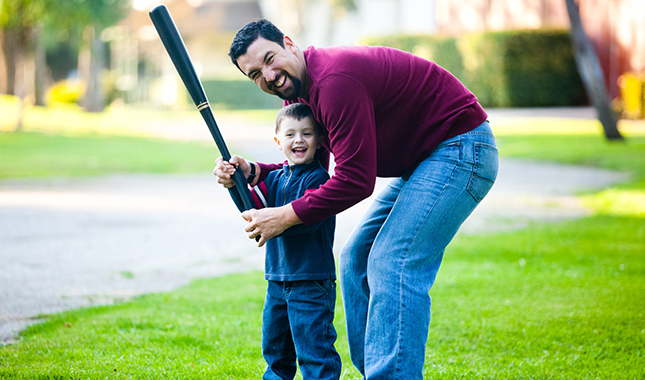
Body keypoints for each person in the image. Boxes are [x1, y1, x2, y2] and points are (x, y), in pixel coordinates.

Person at [214, 19, 499, 380]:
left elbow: (355, 180)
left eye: (270, 59)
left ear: (289, 43)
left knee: (392, 259)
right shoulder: (299, 92)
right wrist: (252, 171)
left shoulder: (333, 83)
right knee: (355, 258)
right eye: (255, 74)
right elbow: (310, 168)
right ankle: (376, 371)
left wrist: (286, 215)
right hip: (425, 161)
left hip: (460, 148)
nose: (268, 75)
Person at [242, 103, 341, 380]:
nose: (298, 140)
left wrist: (275, 224)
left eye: (307, 134)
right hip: (276, 281)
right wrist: (234, 182)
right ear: (278, 142)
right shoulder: (273, 179)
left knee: (314, 352)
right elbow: (252, 209)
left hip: (311, 281)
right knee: (276, 351)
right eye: (290, 134)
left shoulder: (319, 178)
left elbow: (309, 223)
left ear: (320, 141)